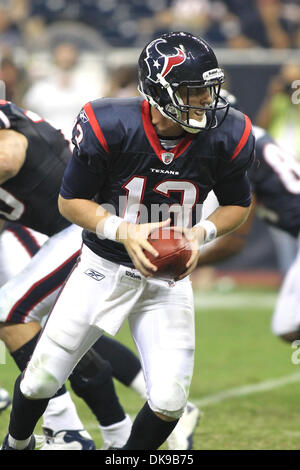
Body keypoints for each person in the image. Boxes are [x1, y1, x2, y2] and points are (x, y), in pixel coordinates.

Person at [1, 31, 255, 451]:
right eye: (193, 93)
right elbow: (70, 203)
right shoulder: (111, 125)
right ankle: (17, 442)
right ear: (159, 90)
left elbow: (236, 205)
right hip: (101, 266)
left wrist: (198, 233)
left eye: (208, 91)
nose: (206, 102)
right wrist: (125, 230)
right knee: (43, 375)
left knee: (171, 402)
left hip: (167, 280)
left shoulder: (227, 134)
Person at [0, 98, 199, 450]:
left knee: (12, 312)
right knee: (60, 335)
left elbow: (8, 158)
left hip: (86, 229)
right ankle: (116, 431)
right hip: (59, 232)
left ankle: (65, 430)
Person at [197, 123, 300, 346]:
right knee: (287, 326)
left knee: (289, 325)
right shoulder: (256, 140)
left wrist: (188, 261)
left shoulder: (244, 154)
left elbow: (234, 243)